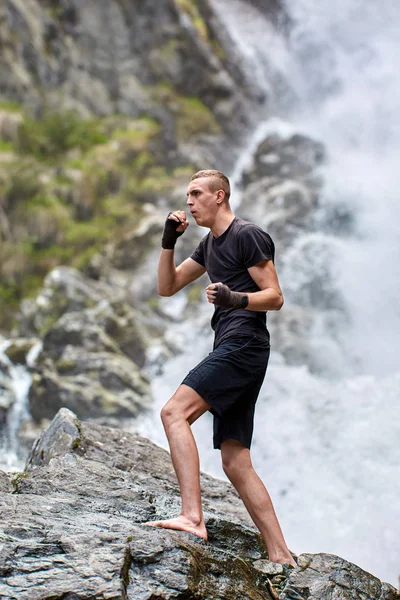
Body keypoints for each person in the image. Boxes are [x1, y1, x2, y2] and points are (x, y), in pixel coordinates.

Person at [145, 169, 296, 567]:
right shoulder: (209, 245)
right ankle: (281, 555)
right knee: (234, 460)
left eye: (196, 194)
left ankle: (193, 517)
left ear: (220, 195)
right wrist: (167, 243)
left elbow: (276, 297)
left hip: (244, 342)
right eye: (188, 195)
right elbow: (168, 286)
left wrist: (235, 298)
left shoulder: (247, 234)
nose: (190, 201)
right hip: (237, 345)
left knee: (174, 411)